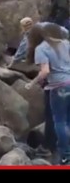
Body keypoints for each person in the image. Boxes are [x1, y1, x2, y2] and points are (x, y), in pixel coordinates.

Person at [25, 23, 70, 165]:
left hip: (58, 87)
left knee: (59, 121)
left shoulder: (41, 48)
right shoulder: (65, 43)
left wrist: (32, 83)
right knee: (68, 120)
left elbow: (45, 72)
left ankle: (65, 154)